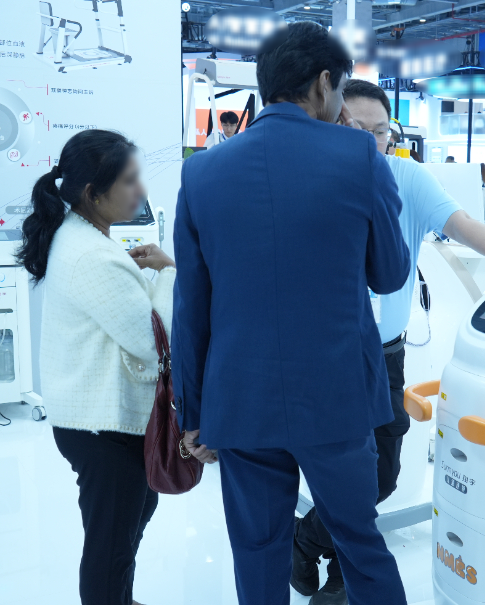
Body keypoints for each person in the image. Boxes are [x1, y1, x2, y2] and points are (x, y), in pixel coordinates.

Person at [291, 77, 485, 604]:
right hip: (325, 355)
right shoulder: (308, 179)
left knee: (381, 475)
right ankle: (340, 578)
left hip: (384, 354)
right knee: (340, 474)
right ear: (332, 124)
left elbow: (460, 222)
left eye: (380, 131)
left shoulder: (405, 177)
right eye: (356, 129)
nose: (371, 141)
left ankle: (305, 542)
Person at [172, 23, 410, 605]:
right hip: (336, 398)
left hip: (241, 398)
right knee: (360, 545)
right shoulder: (361, 157)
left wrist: (193, 412)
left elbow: (191, 306)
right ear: (325, 83)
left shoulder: (201, 172)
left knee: (257, 550)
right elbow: (389, 273)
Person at [17, 129, 177, 605]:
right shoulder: (92, 255)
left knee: (125, 526)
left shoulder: (81, 237)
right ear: (93, 193)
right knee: (110, 546)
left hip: (96, 422)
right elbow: (154, 341)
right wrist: (169, 272)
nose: (141, 191)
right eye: (129, 181)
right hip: (102, 428)